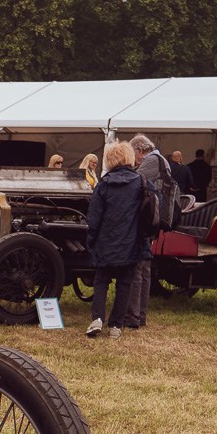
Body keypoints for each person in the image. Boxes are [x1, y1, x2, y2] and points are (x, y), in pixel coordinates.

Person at [85, 141, 147, 339]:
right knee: (124, 284)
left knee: (101, 281)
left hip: (106, 242)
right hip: (132, 243)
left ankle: (97, 319)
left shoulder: (103, 184)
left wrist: (91, 241)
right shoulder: (141, 182)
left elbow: (93, 218)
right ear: (129, 157)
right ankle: (116, 326)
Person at [124, 134, 176, 329]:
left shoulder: (151, 161)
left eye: (133, 154)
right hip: (154, 219)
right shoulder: (161, 160)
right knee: (144, 268)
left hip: (147, 219)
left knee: (138, 268)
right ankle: (140, 315)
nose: (134, 159)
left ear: (140, 150)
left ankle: (134, 316)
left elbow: (134, 181)